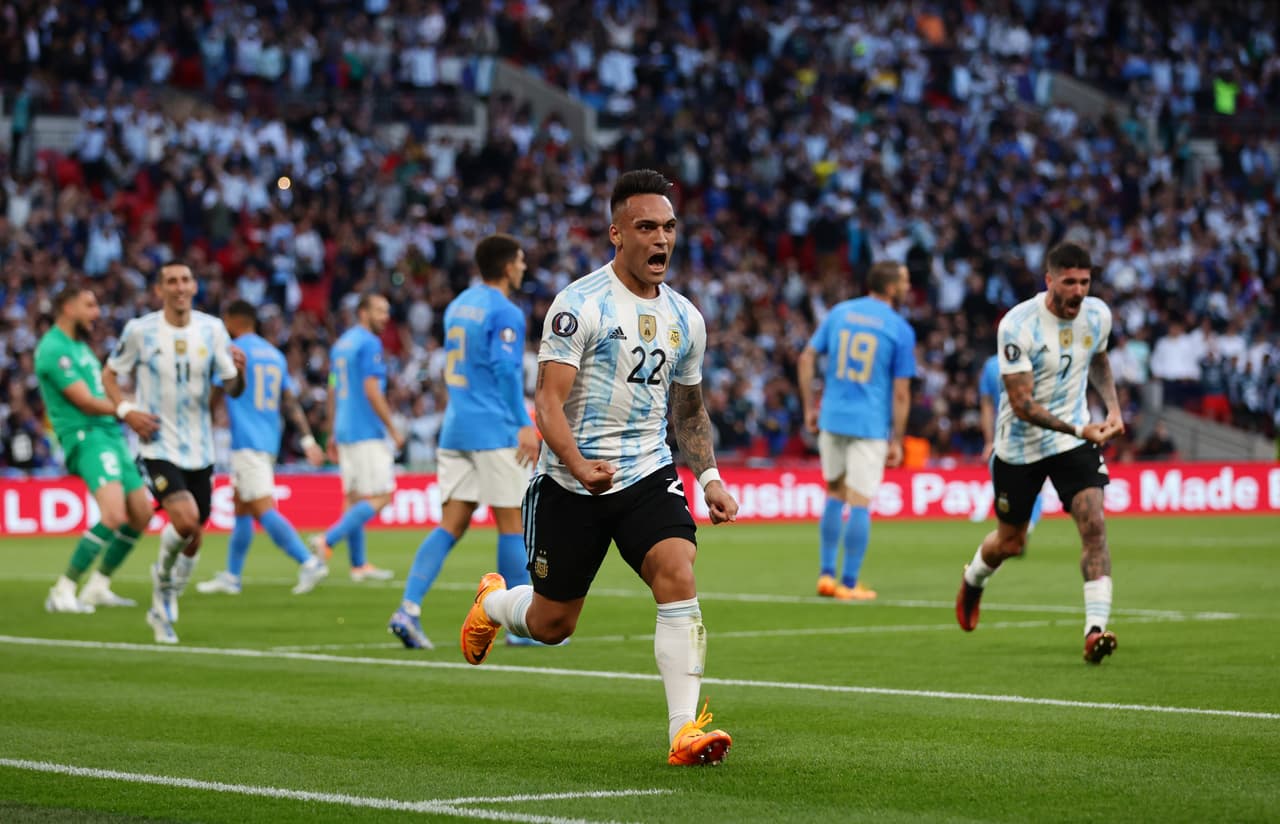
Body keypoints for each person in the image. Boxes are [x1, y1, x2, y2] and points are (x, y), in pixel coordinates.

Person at [458, 169, 740, 766]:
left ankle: (683, 731)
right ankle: (492, 604)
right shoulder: (578, 304)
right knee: (553, 622)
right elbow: (548, 401)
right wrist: (579, 464)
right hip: (569, 482)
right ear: (617, 233)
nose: (661, 239)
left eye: (668, 227)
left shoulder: (687, 317)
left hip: (646, 471)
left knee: (677, 570)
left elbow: (687, 407)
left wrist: (709, 476)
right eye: (646, 227)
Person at [955, 242, 1125, 664]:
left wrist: (1114, 409)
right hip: (1020, 444)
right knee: (1011, 543)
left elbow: (1098, 358)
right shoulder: (1018, 324)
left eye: (1085, 281)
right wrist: (1079, 426)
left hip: (1073, 441)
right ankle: (973, 580)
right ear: (1049, 281)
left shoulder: (1098, 314)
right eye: (1069, 282)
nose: (1079, 291)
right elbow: (1021, 404)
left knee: (1094, 525)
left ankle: (1094, 631)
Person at [388, 234, 541, 649]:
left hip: (455, 428)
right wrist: (522, 423)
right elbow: (507, 372)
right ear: (508, 266)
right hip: (493, 428)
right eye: (521, 260)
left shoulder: (459, 305)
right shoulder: (505, 311)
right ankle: (518, 626)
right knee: (512, 523)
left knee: (451, 524)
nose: (524, 266)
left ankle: (409, 608)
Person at [103, 262, 246, 644]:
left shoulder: (212, 328)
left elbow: (232, 389)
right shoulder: (140, 331)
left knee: (194, 534)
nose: (179, 287)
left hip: (201, 447)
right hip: (157, 444)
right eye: (171, 281)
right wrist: (126, 411)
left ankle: (163, 592)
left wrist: (239, 374)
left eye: (185, 280)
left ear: (195, 286)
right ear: (159, 290)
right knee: (184, 522)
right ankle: (163, 586)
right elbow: (109, 374)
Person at [797, 261, 916, 601]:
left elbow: (806, 358)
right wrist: (898, 438)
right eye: (905, 281)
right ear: (891, 288)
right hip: (869, 424)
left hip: (832, 417)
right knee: (860, 502)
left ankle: (825, 575)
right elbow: (902, 392)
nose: (909, 286)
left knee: (834, 493)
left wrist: (809, 407)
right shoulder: (899, 328)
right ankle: (849, 583)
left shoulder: (840, 313)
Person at [195, 300, 330, 597]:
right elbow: (290, 401)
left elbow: (215, 396)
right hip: (268, 440)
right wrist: (307, 439)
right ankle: (232, 576)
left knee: (261, 506)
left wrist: (194, 425)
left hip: (247, 440)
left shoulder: (233, 353)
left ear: (230, 319)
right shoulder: (274, 355)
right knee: (242, 506)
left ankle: (308, 561)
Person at [35, 284, 155, 613]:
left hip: (110, 435)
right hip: (86, 436)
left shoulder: (81, 348)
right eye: (89, 305)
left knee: (141, 513)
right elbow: (84, 401)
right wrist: (127, 410)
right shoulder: (53, 349)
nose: (96, 312)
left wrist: (127, 408)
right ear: (68, 308)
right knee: (114, 515)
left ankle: (98, 586)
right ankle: (63, 589)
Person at [309, 293, 402, 581]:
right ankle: (327, 540)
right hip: (366, 431)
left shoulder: (341, 345)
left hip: (346, 430)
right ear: (363, 312)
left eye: (386, 311)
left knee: (353, 498)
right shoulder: (369, 343)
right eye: (378, 311)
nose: (384, 317)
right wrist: (392, 428)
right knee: (383, 495)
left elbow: (334, 387)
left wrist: (332, 430)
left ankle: (358, 565)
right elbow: (372, 389)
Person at [970, 353, 1044, 532]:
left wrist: (989, 441)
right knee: (1032, 479)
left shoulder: (991, 365)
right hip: (1029, 431)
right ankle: (1025, 524)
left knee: (1006, 481)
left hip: (1005, 434)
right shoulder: (1036, 360)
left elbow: (986, 406)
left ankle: (1018, 524)